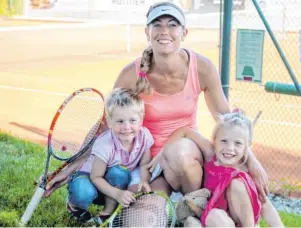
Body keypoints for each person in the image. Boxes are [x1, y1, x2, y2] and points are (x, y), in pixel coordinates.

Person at [44, 1, 269, 206]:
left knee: (181, 153)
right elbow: (105, 126)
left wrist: (252, 160)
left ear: (184, 32)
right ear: (147, 32)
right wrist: (72, 166)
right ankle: (164, 204)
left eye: (172, 25)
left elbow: (228, 121)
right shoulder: (130, 74)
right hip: (146, 166)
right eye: (157, 24)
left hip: (186, 157)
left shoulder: (202, 67)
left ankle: (194, 207)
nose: (164, 31)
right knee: (142, 221)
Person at [164, 110, 283, 227]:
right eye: (224, 141)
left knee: (237, 182)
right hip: (219, 218)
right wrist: (160, 154)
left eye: (238, 143)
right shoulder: (211, 154)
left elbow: (264, 202)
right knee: (214, 215)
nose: (229, 148)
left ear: (247, 146)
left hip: (242, 218)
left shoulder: (246, 169)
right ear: (214, 140)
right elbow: (185, 132)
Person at [65, 88, 157, 223]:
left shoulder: (144, 136)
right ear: (109, 122)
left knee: (119, 172)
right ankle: (74, 206)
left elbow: (144, 163)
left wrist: (144, 180)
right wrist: (118, 194)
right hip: (90, 179)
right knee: (83, 191)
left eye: (132, 120)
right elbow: (96, 177)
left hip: (112, 180)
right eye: (120, 121)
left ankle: (106, 214)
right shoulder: (104, 144)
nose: (126, 127)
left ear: (141, 120)